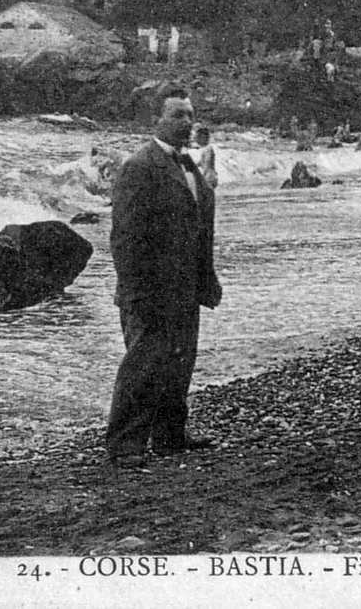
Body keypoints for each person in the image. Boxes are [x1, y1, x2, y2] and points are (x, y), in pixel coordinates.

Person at [105, 87, 222, 467]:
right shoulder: (140, 166)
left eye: (190, 115)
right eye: (177, 115)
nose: (187, 123)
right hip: (150, 289)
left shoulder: (189, 168)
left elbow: (201, 232)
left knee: (180, 362)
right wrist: (134, 290)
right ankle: (124, 444)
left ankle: (171, 435)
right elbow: (125, 237)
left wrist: (209, 279)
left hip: (186, 287)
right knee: (144, 364)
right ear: (155, 120)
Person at [188, 123, 219, 190]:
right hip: (210, 175)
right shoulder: (207, 148)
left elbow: (207, 162)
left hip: (208, 176)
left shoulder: (207, 149)